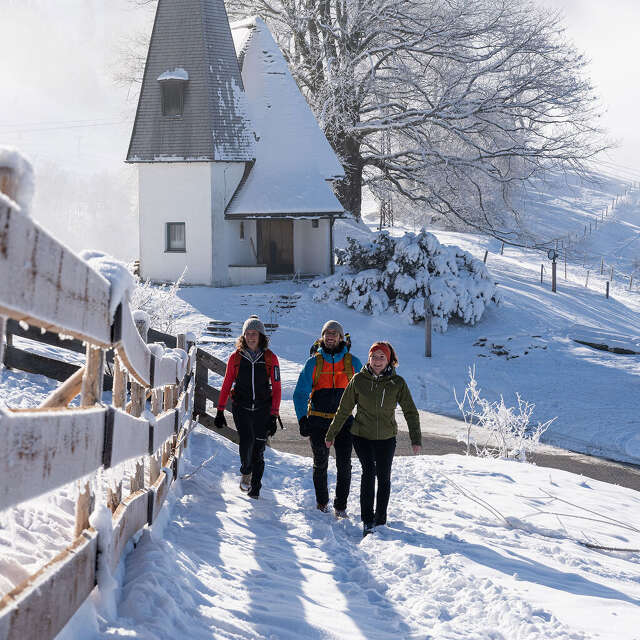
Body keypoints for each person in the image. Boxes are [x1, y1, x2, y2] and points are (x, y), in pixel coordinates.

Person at [325, 341, 421, 536]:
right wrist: (331, 433)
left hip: (387, 437)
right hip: (361, 435)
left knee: (384, 477)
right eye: (374, 357)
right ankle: (368, 520)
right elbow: (344, 409)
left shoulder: (397, 383)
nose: (377, 361)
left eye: (381, 357)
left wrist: (415, 438)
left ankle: (380, 518)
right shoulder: (359, 380)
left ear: (389, 360)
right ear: (369, 359)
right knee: (369, 472)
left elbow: (410, 411)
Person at [293, 321, 363, 517]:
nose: (331, 336)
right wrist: (302, 419)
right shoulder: (313, 363)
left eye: (335, 333)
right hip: (318, 420)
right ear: (322, 337)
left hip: (344, 421)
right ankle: (322, 504)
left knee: (344, 465)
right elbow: (300, 394)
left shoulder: (353, 363)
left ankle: (340, 507)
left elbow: (364, 393)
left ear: (341, 337)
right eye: (327, 333)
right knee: (320, 463)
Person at [214, 315, 281, 499]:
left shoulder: (270, 358)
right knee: (245, 443)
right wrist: (220, 410)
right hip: (241, 408)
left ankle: (255, 490)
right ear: (243, 336)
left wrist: (274, 415)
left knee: (259, 449)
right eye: (248, 333)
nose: (251, 337)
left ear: (261, 336)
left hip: (263, 409)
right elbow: (227, 383)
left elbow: (276, 387)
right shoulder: (235, 358)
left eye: (255, 333)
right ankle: (246, 470)